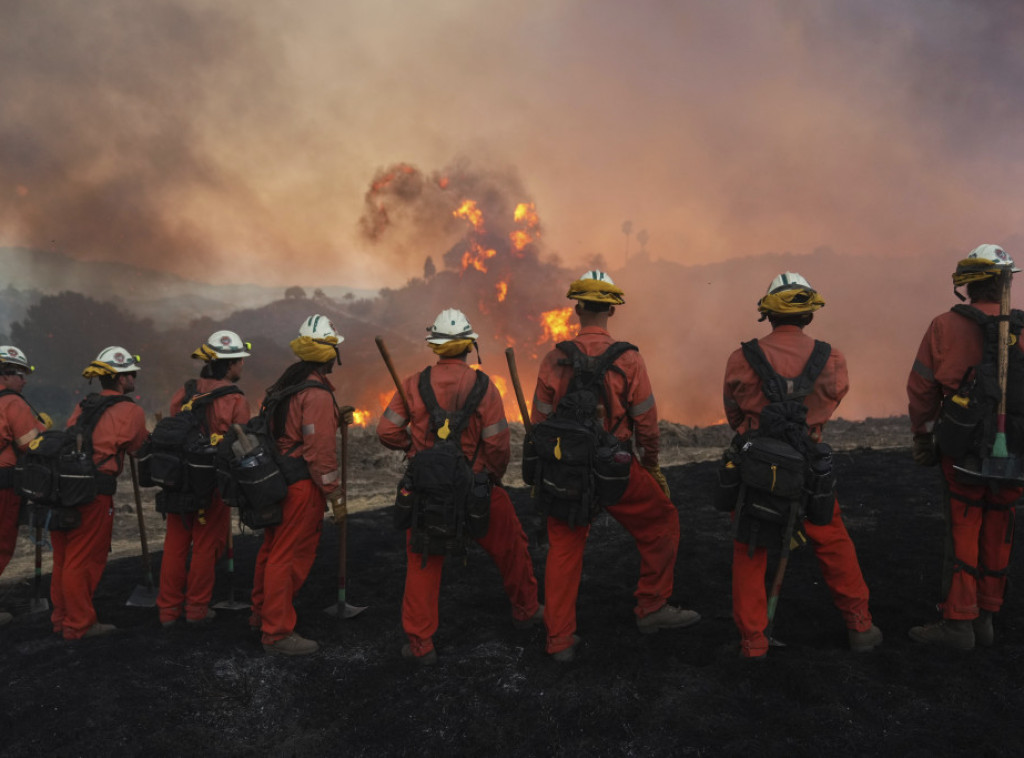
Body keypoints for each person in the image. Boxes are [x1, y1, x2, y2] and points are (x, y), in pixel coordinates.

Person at [530, 270, 700, 663]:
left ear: (576, 309)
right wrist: (652, 466)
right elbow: (646, 422)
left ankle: (558, 640)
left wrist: (547, 469)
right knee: (661, 522)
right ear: (610, 309)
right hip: (618, 467)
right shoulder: (629, 358)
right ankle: (652, 608)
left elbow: (539, 424)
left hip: (566, 471)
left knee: (564, 548)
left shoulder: (554, 358)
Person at [723, 272, 882, 659]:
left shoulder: (741, 358)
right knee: (832, 540)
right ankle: (860, 626)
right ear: (809, 315)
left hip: (757, 467)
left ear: (768, 315)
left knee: (751, 547)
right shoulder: (833, 359)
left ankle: (753, 642)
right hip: (808, 468)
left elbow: (732, 412)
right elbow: (833, 400)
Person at [377, 308, 542, 666]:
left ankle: (421, 646)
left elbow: (385, 431)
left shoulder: (411, 384)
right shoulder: (484, 386)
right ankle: (526, 612)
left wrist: (412, 451)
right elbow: (498, 445)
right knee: (512, 546)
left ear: (435, 346)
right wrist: (491, 477)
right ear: (470, 347)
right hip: (477, 486)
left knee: (423, 560)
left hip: (427, 494)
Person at [907, 244, 1024, 650]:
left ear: (968, 285)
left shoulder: (944, 325)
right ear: (1007, 282)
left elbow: (922, 388)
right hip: (1017, 451)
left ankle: (959, 624)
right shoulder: (1023, 328)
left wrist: (923, 436)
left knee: (964, 526)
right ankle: (987, 618)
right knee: (1000, 525)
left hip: (962, 449)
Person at [250, 315, 342, 656]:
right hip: (302, 486)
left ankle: (261, 615)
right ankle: (277, 633)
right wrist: (334, 493)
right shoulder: (316, 394)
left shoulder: (289, 384)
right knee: (288, 558)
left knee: (272, 552)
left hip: (279, 479)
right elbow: (319, 452)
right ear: (329, 353)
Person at [51, 347, 148, 639]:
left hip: (64, 485)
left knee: (64, 558)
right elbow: (138, 447)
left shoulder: (84, 406)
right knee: (84, 559)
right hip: (94, 492)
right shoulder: (130, 410)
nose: (134, 378)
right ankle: (79, 624)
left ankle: (61, 617)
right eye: (131, 373)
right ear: (120, 378)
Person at [157, 330, 251, 628]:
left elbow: (174, 426)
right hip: (212, 482)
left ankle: (168, 611)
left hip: (177, 480)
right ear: (230, 363)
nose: (242, 366)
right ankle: (196, 609)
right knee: (206, 545)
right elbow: (242, 443)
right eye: (240, 360)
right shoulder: (236, 399)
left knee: (175, 544)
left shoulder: (185, 391)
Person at [0, 346, 49, 626]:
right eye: (21, 374)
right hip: (3, 485)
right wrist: (42, 429)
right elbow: (30, 444)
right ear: (5, 374)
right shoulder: (13, 402)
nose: (25, 380)